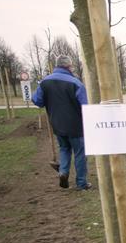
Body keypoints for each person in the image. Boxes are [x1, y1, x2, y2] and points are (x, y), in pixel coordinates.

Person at [32, 55, 91, 190]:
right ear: (68, 66)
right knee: (80, 153)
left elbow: (37, 101)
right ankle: (81, 183)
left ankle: (63, 172)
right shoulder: (76, 83)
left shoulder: (45, 82)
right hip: (76, 126)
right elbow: (85, 106)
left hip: (57, 124)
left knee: (64, 149)